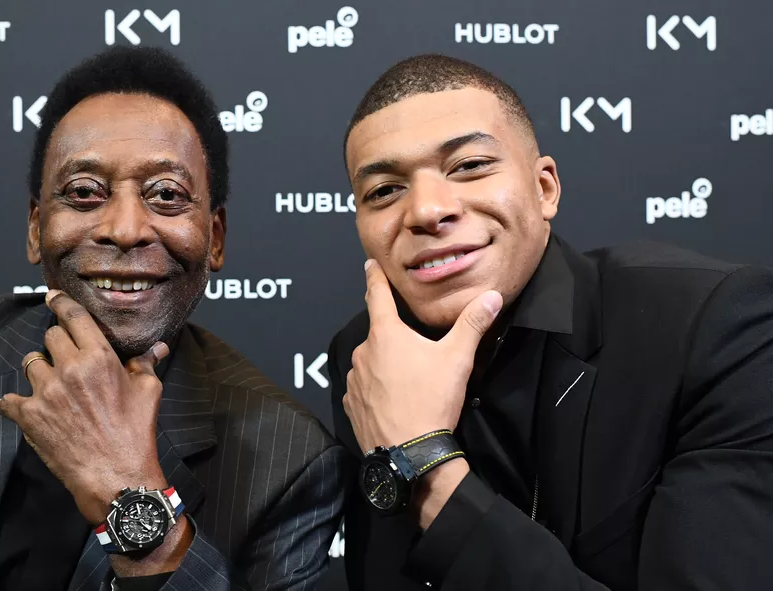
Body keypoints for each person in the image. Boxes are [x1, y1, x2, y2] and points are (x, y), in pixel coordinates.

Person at [0, 46, 347, 591]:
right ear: (36, 228)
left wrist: (130, 495)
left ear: (215, 239)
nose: (125, 229)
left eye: (166, 194)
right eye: (84, 192)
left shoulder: (288, 460)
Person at [327, 54, 773, 590]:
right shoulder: (365, 356)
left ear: (545, 189)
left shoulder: (715, 324)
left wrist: (427, 469)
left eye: (468, 166)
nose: (425, 210)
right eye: (383, 191)